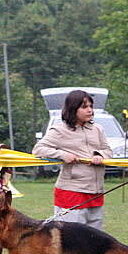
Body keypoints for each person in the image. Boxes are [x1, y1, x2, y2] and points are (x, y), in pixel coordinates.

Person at [32, 89, 112, 231]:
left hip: (96, 192)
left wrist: (100, 155)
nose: (89, 110)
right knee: (71, 241)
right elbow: (38, 149)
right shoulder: (59, 130)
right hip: (71, 193)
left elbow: (108, 151)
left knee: (96, 241)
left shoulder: (98, 129)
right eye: (84, 107)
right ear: (72, 108)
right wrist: (63, 155)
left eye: (91, 106)